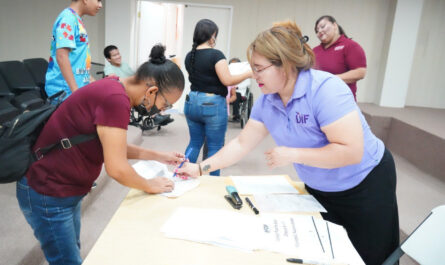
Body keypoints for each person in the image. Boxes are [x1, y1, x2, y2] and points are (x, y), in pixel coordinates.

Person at [177, 21, 399, 265]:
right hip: (320, 188)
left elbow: (351, 152)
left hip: (365, 184)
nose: (254, 75)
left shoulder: (325, 90)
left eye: (260, 68)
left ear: (286, 64)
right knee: (326, 253)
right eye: (253, 68)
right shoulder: (267, 102)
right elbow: (242, 143)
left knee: (373, 256)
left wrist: (293, 154)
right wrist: (200, 168)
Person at [16, 45, 185, 265]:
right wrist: (149, 185)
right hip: (49, 189)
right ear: (152, 91)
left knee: (70, 252)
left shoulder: (116, 86)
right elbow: (116, 168)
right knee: (66, 260)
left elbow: (114, 146)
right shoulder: (115, 99)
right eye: (166, 104)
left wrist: (159, 156)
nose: (162, 111)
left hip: (66, 189)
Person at [183, 19, 251, 176]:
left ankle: (182, 176)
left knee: (194, 143)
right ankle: (212, 184)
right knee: (215, 147)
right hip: (212, 104)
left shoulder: (189, 56)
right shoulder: (216, 55)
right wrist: (249, 73)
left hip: (191, 101)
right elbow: (227, 81)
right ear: (212, 36)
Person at [45, 0, 102, 101]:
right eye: (98, 0)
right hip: (65, 91)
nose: (100, 5)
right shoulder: (68, 18)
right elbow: (62, 57)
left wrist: (93, 82)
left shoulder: (76, 19)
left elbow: (78, 58)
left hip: (75, 89)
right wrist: (76, 92)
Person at [313, 15, 366, 101]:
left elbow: (360, 72)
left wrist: (329, 80)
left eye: (323, 26)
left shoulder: (350, 46)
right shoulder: (315, 51)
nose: (320, 31)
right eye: (317, 30)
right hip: (319, 101)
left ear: (335, 25)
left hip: (341, 101)